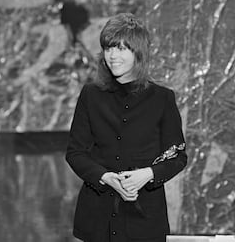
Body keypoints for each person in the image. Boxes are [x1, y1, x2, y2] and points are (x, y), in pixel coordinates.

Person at [65, 13, 187, 242]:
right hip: (96, 218)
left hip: (144, 220)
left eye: (121, 49)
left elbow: (178, 157)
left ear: (138, 53)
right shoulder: (91, 95)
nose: (113, 56)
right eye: (109, 49)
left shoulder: (162, 99)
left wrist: (147, 175)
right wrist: (105, 177)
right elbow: (75, 152)